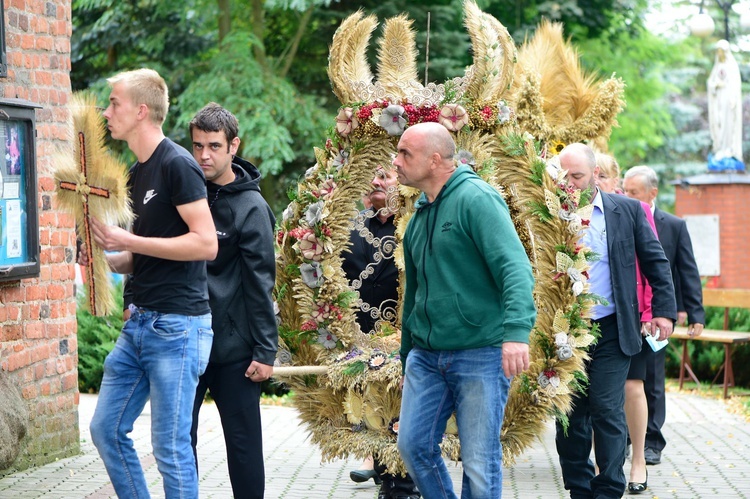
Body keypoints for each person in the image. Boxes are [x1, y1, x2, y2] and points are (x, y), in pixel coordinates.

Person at [88, 68, 218, 498]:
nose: (107, 112)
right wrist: (105, 252)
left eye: (114, 104)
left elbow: (205, 245)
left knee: (170, 447)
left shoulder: (178, 164)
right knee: (106, 429)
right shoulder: (136, 171)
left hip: (177, 328)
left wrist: (130, 239)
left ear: (141, 111)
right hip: (140, 325)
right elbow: (140, 255)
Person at [394, 122, 537, 498]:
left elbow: (515, 268)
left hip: (480, 352)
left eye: (405, 153)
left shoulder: (476, 198)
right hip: (426, 357)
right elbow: (415, 294)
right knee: (412, 446)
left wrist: (516, 334)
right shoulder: (419, 217)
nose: (396, 161)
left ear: (435, 159)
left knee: (478, 459)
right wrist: (407, 355)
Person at [555, 143, 676, 499]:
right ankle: (579, 488)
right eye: (564, 177)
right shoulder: (548, 214)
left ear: (596, 174)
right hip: (565, 330)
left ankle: (608, 488)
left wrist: (664, 311)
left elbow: (656, 262)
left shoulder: (627, 211)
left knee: (607, 408)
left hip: (610, 327)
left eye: (577, 176)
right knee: (571, 417)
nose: (571, 184)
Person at [186, 103, 278, 499]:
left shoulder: (252, 208)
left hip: (234, 350)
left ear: (233, 146)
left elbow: (261, 284)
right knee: (176, 444)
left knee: (243, 449)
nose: (204, 155)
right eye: (197, 146)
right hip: (185, 342)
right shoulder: (185, 195)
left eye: (214, 146)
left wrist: (265, 350)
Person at [342, 167, 419, 499]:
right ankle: (386, 475)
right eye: (372, 176)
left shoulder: (414, 224)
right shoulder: (354, 227)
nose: (375, 182)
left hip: (407, 337)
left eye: (385, 176)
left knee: (402, 410)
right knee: (374, 407)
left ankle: (402, 485)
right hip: (363, 339)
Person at [623, 165, 705, 467]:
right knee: (628, 381)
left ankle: (652, 442)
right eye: (625, 190)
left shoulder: (672, 225)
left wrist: (693, 311)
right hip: (630, 312)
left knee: (653, 379)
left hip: (658, 314)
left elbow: (686, 270)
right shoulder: (622, 218)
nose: (627, 196)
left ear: (652, 193)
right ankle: (628, 438)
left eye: (634, 192)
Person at [594, 153, 657, 493]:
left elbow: (648, 267)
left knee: (631, 389)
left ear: (612, 179)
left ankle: (637, 461)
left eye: (603, 175)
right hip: (596, 318)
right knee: (600, 403)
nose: (597, 181)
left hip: (633, 317)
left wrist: (649, 313)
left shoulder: (632, 210)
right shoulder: (575, 212)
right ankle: (605, 465)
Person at [707, 39, 744, 172]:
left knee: (728, 125)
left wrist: (733, 98)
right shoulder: (717, 67)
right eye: (718, 51)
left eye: (722, 51)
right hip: (718, 103)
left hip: (729, 103)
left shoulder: (732, 67)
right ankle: (720, 149)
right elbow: (711, 83)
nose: (720, 54)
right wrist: (715, 85)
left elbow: (735, 85)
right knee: (719, 124)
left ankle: (729, 149)